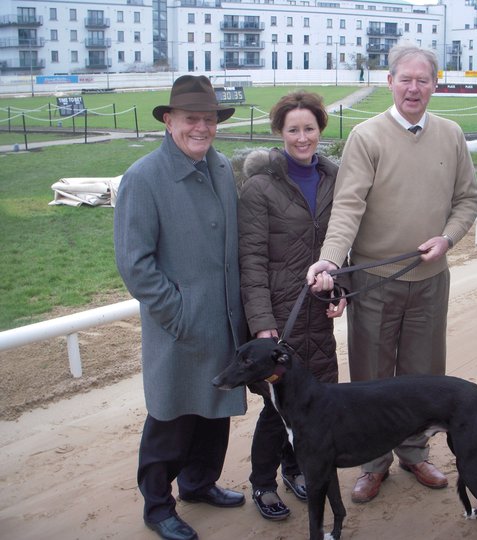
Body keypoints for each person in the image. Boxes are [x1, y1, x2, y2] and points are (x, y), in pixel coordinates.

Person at [306, 43, 477, 504]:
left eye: (423, 80)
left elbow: (468, 200)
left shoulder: (451, 134)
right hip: (374, 285)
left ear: (435, 84)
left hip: (430, 280)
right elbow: (347, 206)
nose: (414, 88)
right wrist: (330, 259)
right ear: (390, 82)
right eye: (405, 79)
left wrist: (447, 238)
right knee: (372, 379)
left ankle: (415, 452)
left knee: (423, 376)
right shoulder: (367, 136)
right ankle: (373, 463)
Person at [114, 75, 248, 540]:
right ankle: (157, 506)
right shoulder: (143, 178)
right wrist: (179, 313)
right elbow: (135, 264)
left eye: (209, 119)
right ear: (169, 121)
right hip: (178, 328)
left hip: (226, 322)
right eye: (191, 118)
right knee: (169, 419)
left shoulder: (224, 167)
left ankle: (198, 484)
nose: (201, 128)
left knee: (214, 414)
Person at [237, 91, 347, 521]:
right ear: (279, 133)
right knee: (275, 407)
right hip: (278, 316)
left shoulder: (336, 179)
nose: (302, 138)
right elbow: (251, 261)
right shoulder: (260, 188)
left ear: (320, 129)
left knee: (314, 404)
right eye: (293, 130)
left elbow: (343, 246)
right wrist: (262, 323)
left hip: (316, 313)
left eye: (310, 128)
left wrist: (337, 292)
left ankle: (296, 468)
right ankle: (263, 483)